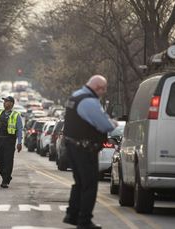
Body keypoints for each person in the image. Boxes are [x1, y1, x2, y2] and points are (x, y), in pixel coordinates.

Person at [62, 75, 117, 229]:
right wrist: (112, 122)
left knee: (79, 183)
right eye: (103, 89)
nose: (104, 92)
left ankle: (72, 214)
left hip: (73, 146)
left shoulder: (75, 96)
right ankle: (84, 221)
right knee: (89, 185)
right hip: (84, 149)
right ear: (98, 87)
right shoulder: (89, 102)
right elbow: (105, 125)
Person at [0, 96, 23, 188]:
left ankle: (5, 181)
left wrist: (19, 142)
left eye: (6, 101)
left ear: (11, 103)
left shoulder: (16, 115)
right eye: (4, 101)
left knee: (8, 161)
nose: (4, 103)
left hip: (9, 141)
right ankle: (6, 177)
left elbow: (19, 130)